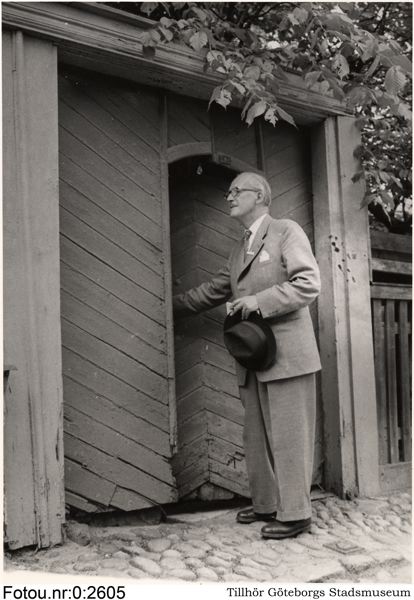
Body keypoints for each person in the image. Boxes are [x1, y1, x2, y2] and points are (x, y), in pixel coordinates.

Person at [173, 171, 321, 539]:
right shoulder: (239, 248)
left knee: (289, 437)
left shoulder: (285, 231)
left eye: (236, 191)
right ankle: (266, 504)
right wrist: (169, 305)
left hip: (288, 357)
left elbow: (308, 283)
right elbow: (213, 290)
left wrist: (258, 301)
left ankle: (297, 514)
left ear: (260, 196)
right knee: (256, 438)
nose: (229, 197)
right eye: (229, 192)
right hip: (254, 358)